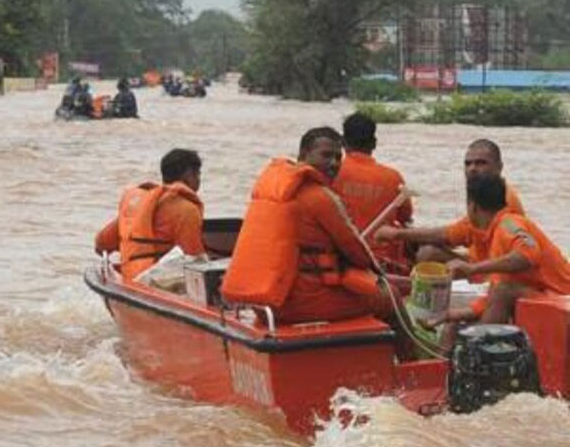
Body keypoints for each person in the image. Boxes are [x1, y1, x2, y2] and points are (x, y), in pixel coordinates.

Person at [221, 127, 387, 324]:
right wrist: (380, 272)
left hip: (265, 303)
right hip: (304, 302)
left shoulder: (270, 191)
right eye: (326, 155)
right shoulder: (320, 197)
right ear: (303, 155)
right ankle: (414, 354)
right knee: (389, 296)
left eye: (337, 157)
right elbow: (359, 255)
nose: (333, 163)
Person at [423, 174, 570, 328]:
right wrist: (450, 315)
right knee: (454, 325)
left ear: (472, 207)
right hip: (543, 296)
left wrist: (473, 269)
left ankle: (480, 347)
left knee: (503, 291)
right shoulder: (495, 233)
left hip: (562, 297)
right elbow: (491, 297)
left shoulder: (509, 225)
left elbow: (528, 255)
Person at [376, 139, 523, 275]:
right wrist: (405, 234)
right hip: (479, 257)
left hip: (494, 267)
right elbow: (458, 233)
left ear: (499, 167)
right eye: (468, 163)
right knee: (415, 242)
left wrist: (398, 234)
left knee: (427, 254)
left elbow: (453, 234)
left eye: (481, 163)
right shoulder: (478, 193)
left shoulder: (502, 199)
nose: (472, 168)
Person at [94, 149, 204, 282]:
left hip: (131, 279)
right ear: (189, 175)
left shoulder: (140, 205)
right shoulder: (187, 210)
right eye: (198, 174)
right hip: (158, 286)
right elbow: (194, 260)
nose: (199, 180)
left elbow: (101, 244)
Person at [331, 112, 412, 270]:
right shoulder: (393, 177)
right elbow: (405, 217)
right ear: (374, 143)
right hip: (383, 261)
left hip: (340, 259)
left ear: (342, 142)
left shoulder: (330, 173)